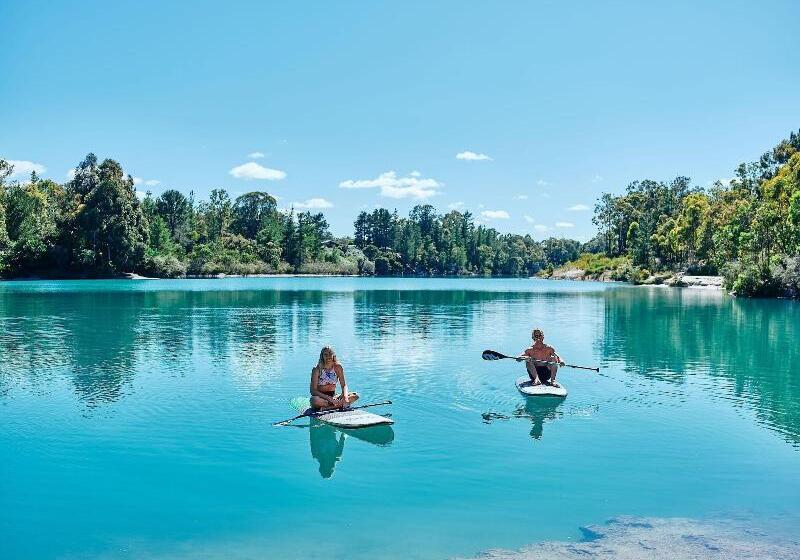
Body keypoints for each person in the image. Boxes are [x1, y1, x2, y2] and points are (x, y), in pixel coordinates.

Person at [310, 345, 359, 410]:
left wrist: (345, 398)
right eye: (325, 355)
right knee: (314, 400)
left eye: (330, 354)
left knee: (355, 395)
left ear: (333, 355)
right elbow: (313, 391)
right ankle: (338, 405)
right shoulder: (317, 369)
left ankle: (329, 408)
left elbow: (344, 385)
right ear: (322, 356)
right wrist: (329, 398)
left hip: (334, 397)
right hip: (321, 398)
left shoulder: (338, 367)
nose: (328, 357)